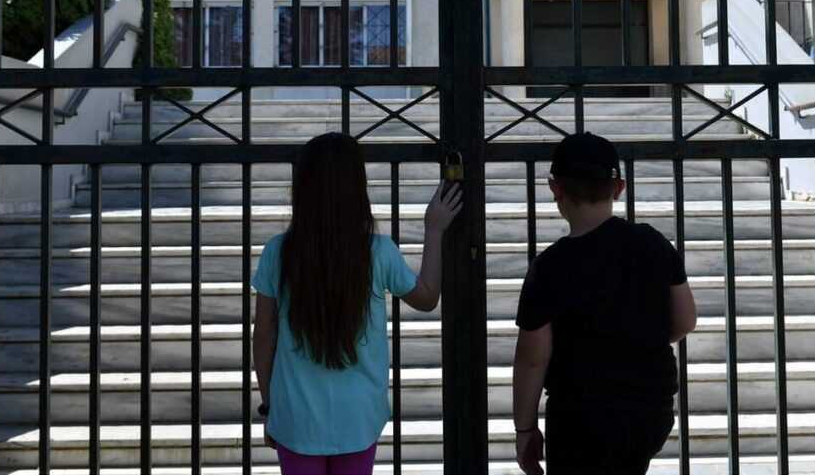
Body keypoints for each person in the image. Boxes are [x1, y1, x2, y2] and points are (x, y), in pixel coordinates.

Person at [252, 132, 462, 475]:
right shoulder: (378, 252)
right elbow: (427, 298)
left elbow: (264, 335)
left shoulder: (278, 251)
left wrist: (269, 405)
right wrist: (434, 231)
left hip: (295, 415)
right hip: (358, 416)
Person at [512, 132, 697, 475]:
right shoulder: (652, 243)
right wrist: (638, 338)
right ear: (619, 188)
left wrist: (525, 429)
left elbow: (532, 359)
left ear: (556, 189)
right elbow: (686, 320)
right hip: (648, 409)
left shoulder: (550, 267)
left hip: (579, 416)